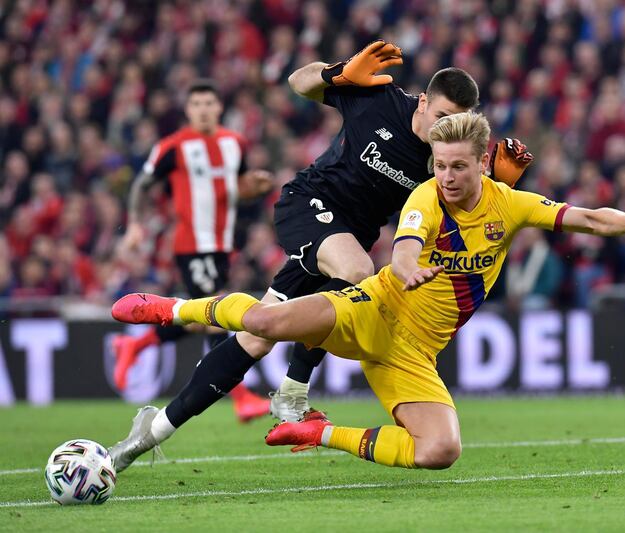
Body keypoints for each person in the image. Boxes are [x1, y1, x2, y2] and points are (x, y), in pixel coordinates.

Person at [111, 112, 625, 470]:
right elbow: (406, 246)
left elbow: (586, 218)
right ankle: (169, 307)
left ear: (484, 163)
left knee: (441, 452)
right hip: (372, 310)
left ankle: (316, 430)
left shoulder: (513, 205)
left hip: (411, 355)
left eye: (458, 167)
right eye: (438, 165)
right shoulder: (426, 199)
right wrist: (406, 268)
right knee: (264, 323)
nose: (447, 177)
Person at [113, 37, 531, 456]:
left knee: (258, 334)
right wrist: (337, 72)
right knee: (357, 274)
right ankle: (293, 393)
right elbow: (299, 82)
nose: (445, 132)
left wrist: (496, 184)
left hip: (346, 237)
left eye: (455, 123)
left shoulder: (444, 163)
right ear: (422, 102)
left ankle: (151, 432)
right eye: (441, 117)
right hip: (308, 205)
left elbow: (467, 219)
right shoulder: (380, 99)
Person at [113, 79, 274, 422]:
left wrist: (256, 187)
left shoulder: (236, 144)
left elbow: (239, 188)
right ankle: (242, 396)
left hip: (221, 245)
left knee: (200, 317)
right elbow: (142, 185)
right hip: (191, 244)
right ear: (188, 110)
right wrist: (136, 223)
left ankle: (135, 345)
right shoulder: (173, 146)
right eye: (196, 104)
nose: (203, 109)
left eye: (209, 103)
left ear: (219, 108)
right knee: (216, 314)